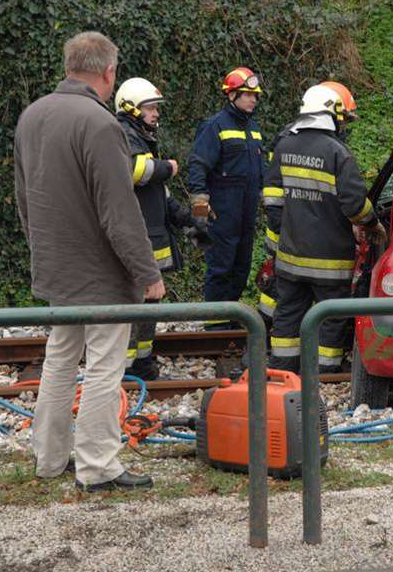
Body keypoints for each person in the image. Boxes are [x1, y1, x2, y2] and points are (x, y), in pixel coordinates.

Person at [14, 32, 162, 491]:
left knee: (59, 360)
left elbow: (24, 197)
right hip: (100, 273)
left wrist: (40, 249)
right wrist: (148, 273)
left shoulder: (32, 116)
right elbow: (119, 210)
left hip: (57, 266)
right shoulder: (100, 125)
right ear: (108, 72)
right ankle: (98, 465)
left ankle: (49, 458)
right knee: (103, 367)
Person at [263, 81, 387, 375]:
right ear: (330, 115)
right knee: (331, 317)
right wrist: (372, 223)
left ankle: (283, 372)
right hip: (330, 261)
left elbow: (272, 199)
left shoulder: (284, 144)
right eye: (341, 118)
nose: (343, 125)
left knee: (288, 315)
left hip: (290, 258)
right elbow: (355, 204)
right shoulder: (337, 153)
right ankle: (324, 376)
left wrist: (287, 235)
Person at [114, 77, 210, 380]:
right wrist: (168, 167)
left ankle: (142, 361)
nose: (156, 114)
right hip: (135, 240)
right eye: (150, 108)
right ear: (130, 108)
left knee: (148, 305)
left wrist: (188, 220)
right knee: (132, 305)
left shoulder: (142, 137)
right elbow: (136, 172)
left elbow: (160, 197)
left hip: (149, 238)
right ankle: (124, 369)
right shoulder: (123, 136)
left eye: (156, 108)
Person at [187, 67, 266, 330]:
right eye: (247, 94)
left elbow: (259, 169)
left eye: (255, 95)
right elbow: (199, 165)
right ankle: (216, 327)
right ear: (231, 95)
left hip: (246, 213)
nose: (253, 99)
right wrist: (200, 204)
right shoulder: (215, 126)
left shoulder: (253, 129)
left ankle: (230, 320)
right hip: (222, 213)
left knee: (241, 268)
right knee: (220, 268)